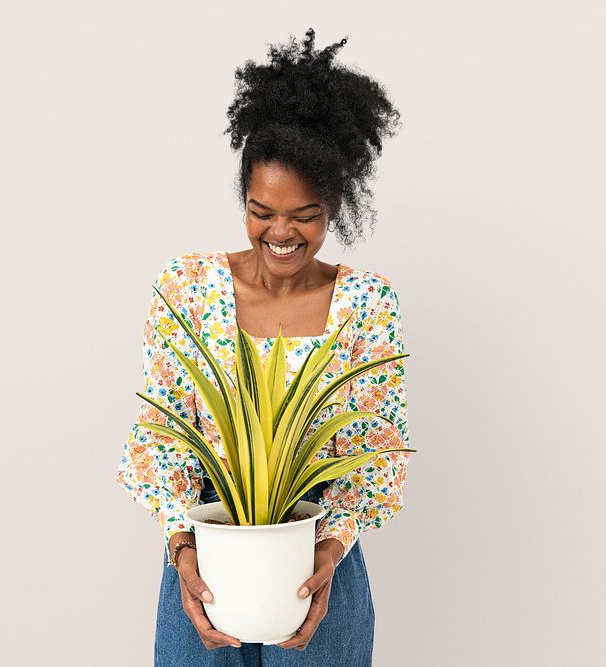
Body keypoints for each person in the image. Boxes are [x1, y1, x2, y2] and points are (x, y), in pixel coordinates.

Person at [116, 28, 409, 666]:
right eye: (260, 210)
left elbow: (376, 453)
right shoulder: (187, 288)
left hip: (317, 572)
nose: (280, 232)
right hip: (205, 566)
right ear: (243, 199)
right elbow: (160, 431)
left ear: (336, 204)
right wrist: (182, 547)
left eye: (304, 214)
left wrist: (329, 553)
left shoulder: (365, 304)